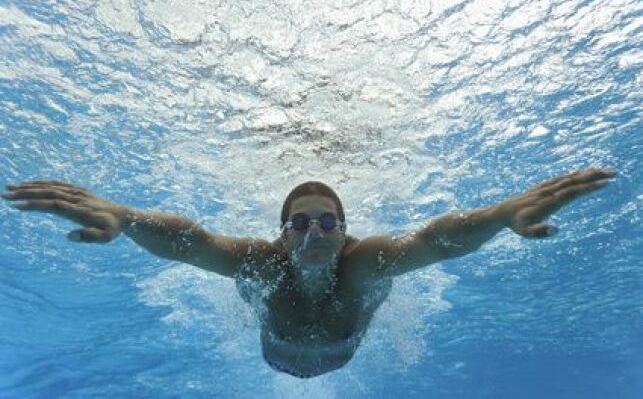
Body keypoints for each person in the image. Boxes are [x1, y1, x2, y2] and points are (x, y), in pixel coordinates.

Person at [2, 167, 615, 377]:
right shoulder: (259, 262)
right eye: (301, 223)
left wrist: (504, 213)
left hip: (343, 349)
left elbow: (437, 240)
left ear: (345, 232)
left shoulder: (366, 260)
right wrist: (127, 217)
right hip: (279, 351)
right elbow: (192, 242)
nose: (315, 233)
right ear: (282, 231)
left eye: (328, 223)